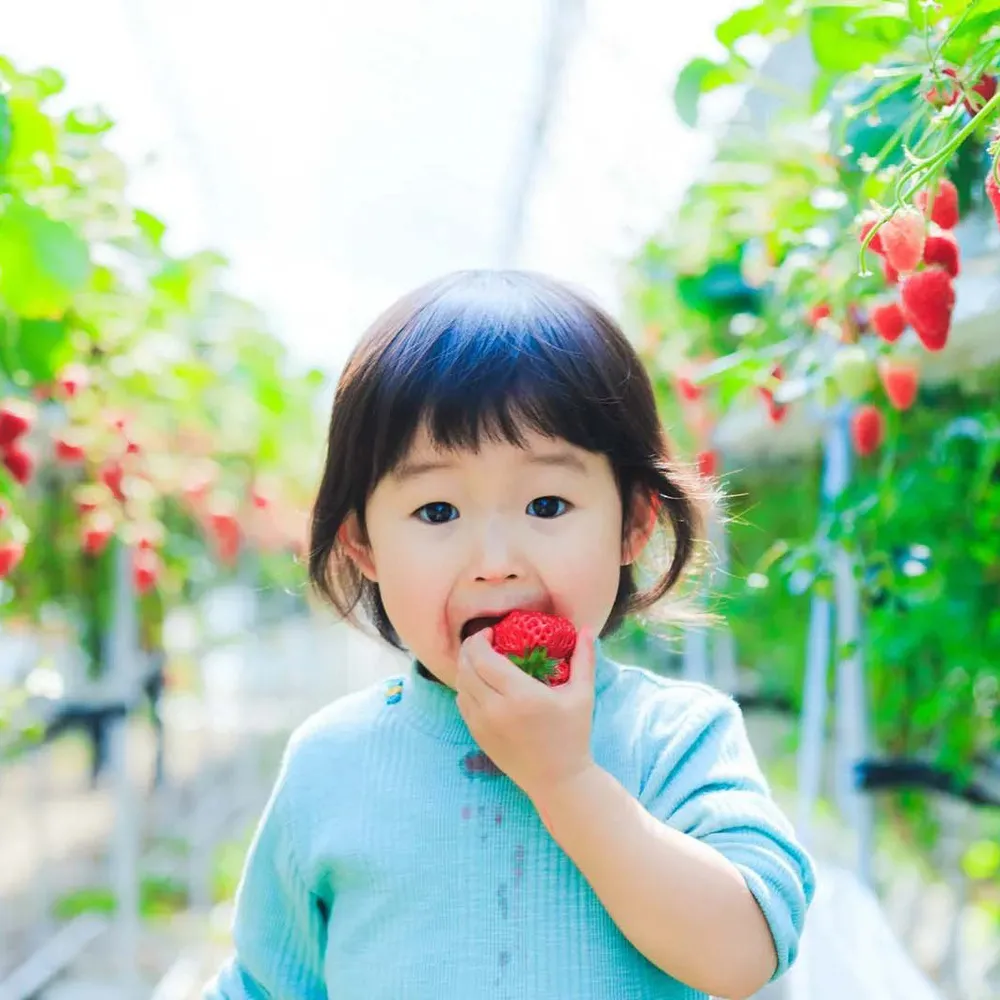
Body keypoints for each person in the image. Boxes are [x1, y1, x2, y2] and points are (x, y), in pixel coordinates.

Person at [203, 270, 815, 1000]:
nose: (494, 564)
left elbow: (744, 953)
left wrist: (566, 781)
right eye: (437, 512)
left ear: (633, 524)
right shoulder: (331, 764)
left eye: (547, 503)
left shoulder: (673, 738)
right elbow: (264, 984)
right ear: (363, 546)